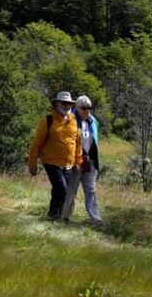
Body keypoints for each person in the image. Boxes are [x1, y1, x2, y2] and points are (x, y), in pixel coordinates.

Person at [28, 91, 83, 221]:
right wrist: (32, 164)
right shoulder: (48, 121)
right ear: (56, 104)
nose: (66, 106)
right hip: (51, 162)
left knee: (59, 190)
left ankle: (53, 215)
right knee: (61, 188)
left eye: (69, 103)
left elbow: (78, 143)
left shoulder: (74, 122)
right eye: (63, 103)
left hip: (69, 164)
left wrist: (78, 161)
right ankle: (56, 216)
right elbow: (36, 144)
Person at [63, 95, 103, 224]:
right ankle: (65, 217)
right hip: (75, 161)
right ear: (77, 107)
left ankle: (95, 219)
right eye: (84, 108)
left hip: (90, 161)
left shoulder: (92, 121)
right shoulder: (70, 120)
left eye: (89, 108)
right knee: (71, 190)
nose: (87, 111)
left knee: (91, 190)